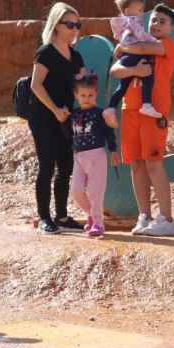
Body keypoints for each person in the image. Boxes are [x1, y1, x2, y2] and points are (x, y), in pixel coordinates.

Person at [110, 3, 174, 236]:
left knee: (153, 163)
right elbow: (115, 70)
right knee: (136, 164)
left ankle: (167, 219)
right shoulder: (136, 44)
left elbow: (140, 48)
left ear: (171, 27)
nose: (157, 24)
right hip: (130, 110)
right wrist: (134, 71)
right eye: (154, 20)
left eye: (163, 21)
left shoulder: (165, 45)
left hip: (154, 112)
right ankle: (144, 216)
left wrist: (125, 45)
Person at [29, 2, 87, 234]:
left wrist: (84, 80)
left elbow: (80, 88)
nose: (74, 29)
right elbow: (36, 85)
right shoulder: (46, 52)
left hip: (66, 115)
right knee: (46, 165)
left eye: (77, 25)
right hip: (44, 115)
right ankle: (45, 218)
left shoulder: (76, 56)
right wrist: (54, 109)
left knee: (65, 165)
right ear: (56, 26)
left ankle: (61, 215)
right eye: (69, 24)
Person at [67, 74, 121, 238]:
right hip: (79, 157)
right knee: (76, 191)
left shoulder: (99, 113)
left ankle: (98, 223)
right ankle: (92, 214)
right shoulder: (73, 114)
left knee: (95, 191)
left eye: (90, 95)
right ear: (76, 95)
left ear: (95, 94)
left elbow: (108, 132)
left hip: (97, 156)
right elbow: (69, 134)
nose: (86, 98)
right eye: (82, 95)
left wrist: (112, 150)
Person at [104, 0, 163, 127]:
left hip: (126, 56)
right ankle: (146, 104)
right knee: (148, 75)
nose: (142, 13)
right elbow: (140, 35)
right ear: (127, 10)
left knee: (122, 87)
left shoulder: (123, 22)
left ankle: (111, 108)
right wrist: (153, 41)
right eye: (140, 10)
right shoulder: (132, 21)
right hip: (133, 56)